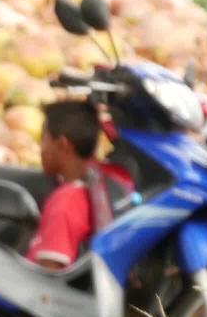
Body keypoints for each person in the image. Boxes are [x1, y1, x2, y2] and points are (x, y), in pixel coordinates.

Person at [25, 100, 132, 270]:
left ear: (62, 145)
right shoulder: (94, 188)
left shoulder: (65, 201)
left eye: (43, 139)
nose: (40, 148)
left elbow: (50, 271)